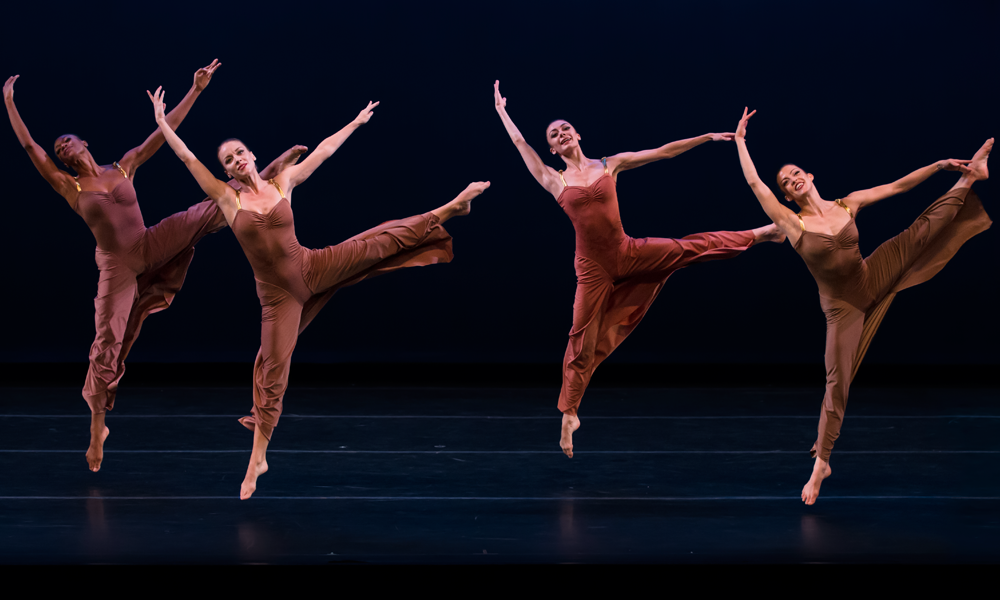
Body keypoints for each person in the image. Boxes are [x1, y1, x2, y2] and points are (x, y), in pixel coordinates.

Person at [148, 87, 488, 499]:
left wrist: (356, 123)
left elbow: (323, 152)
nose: (236, 161)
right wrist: (163, 122)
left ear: (252, 155)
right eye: (228, 160)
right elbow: (186, 157)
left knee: (376, 244)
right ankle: (258, 458)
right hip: (278, 296)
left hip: (311, 266)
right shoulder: (226, 198)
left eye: (239, 153)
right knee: (274, 368)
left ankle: (450, 208)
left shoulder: (282, 181)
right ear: (228, 171)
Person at [3, 62, 304, 472]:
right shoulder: (69, 185)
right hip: (118, 265)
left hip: (148, 241)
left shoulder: (124, 165)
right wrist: (9, 103)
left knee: (206, 211)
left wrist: (195, 90)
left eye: (67, 142)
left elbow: (163, 135)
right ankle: (97, 429)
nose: (61, 148)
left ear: (84, 143)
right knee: (107, 340)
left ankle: (268, 173)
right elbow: (30, 149)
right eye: (58, 149)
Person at [492, 81, 785, 457]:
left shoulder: (610, 164)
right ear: (552, 148)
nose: (561, 134)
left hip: (626, 251)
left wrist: (707, 137)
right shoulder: (554, 179)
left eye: (566, 128)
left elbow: (662, 153)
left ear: (578, 134)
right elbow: (520, 145)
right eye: (554, 134)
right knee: (580, 336)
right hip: (592, 268)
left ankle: (761, 234)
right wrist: (502, 110)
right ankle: (569, 412)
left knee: (687, 248)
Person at [734, 107, 992, 504]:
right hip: (842, 307)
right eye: (786, 182)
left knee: (919, 233)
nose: (793, 179)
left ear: (811, 176)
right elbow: (755, 184)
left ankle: (968, 178)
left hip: (871, 275)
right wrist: (739, 142)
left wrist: (939, 165)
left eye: (796, 173)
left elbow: (897, 187)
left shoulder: (847, 203)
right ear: (787, 195)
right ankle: (822, 461)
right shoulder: (792, 223)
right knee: (837, 382)